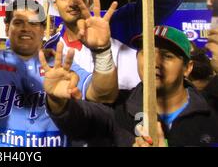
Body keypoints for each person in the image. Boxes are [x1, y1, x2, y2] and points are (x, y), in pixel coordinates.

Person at [0, 0, 119, 147]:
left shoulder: (59, 67)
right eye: (18, 22)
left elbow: (104, 94)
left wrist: (101, 52)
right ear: (7, 27)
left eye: (34, 23)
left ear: (44, 29)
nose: (26, 28)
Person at [43, 25, 218, 146]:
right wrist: (57, 102)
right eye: (146, 53)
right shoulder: (119, 107)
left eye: (167, 56)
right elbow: (78, 120)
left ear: (187, 68)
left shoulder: (211, 116)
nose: (154, 62)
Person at [45, 0, 190, 90]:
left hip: (128, 111)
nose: (72, 2)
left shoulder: (121, 23)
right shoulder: (49, 49)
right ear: (55, 5)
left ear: (89, 1)